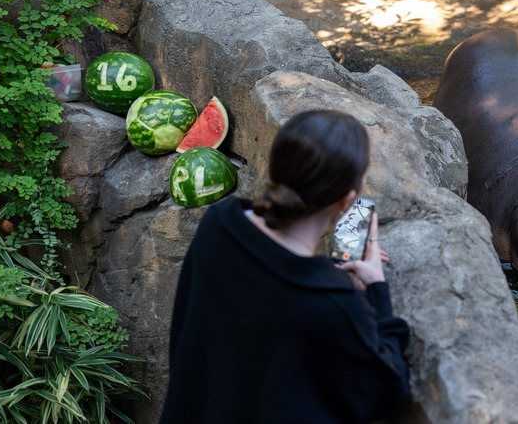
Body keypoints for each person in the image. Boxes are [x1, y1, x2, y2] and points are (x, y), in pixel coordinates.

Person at [160, 110, 410, 423]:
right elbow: (384, 387)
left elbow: (267, 276)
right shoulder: (334, 302)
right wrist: (376, 288)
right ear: (347, 202)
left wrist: (331, 268)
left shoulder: (220, 223)